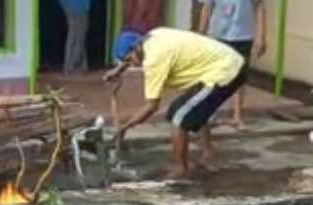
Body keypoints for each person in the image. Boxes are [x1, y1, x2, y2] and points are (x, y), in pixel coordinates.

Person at [105, 28, 246, 178]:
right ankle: (208, 154)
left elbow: (152, 106)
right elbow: (134, 55)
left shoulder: (154, 60)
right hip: (230, 63)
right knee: (190, 107)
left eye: (129, 60)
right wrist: (119, 70)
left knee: (179, 117)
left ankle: (181, 168)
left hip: (225, 72)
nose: (132, 64)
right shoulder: (154, 35)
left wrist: (125, 127)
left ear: (137, 47)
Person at [198, 0, 267, 129]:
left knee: (239, 77)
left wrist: (261, 36)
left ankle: (237, 116)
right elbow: (207, 7)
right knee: (215, 76)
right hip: (218, 35)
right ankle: (210, 113)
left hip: (243, 36)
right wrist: (201, 32)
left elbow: (260, 7)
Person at [60, 0, 92, 75]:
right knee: (77, 38)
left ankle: (79, 66)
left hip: (76, 8)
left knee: (77, 38)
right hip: (79, 9)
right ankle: (70, 66)